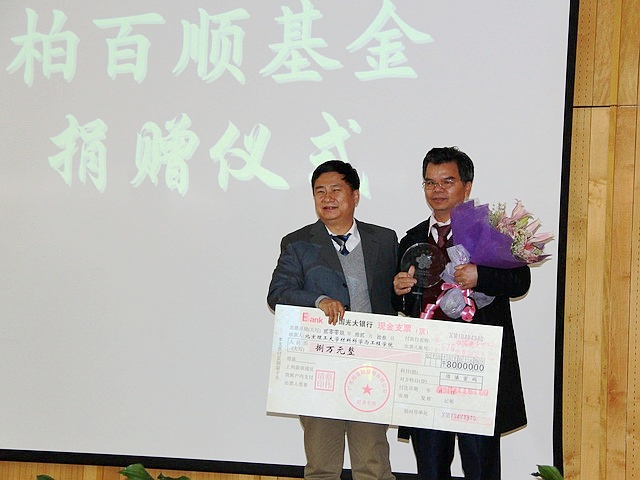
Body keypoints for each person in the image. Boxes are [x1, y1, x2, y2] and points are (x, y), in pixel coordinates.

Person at [393, 147, 530, 480]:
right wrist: (398, 291)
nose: (437, 190)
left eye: (447, 181)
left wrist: (482, 276)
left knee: (480, 468)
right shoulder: (412, 239)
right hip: (427, 372)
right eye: (430, 182)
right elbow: (404, 306)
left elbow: (520, 281)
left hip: (476, 371)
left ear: (467, 187)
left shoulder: (491, 232)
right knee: (430, 468)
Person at [267, 160, 398, 480]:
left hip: (371, 368)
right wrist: (318, 301)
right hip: (319, 367)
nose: (327, 198)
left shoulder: (384, 240)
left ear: (355, 195)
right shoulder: (297, 243)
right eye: (320, 191)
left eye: (336, 190)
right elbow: (278, 294)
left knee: (373, 464)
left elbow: (394, 298)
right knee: (322, 466)